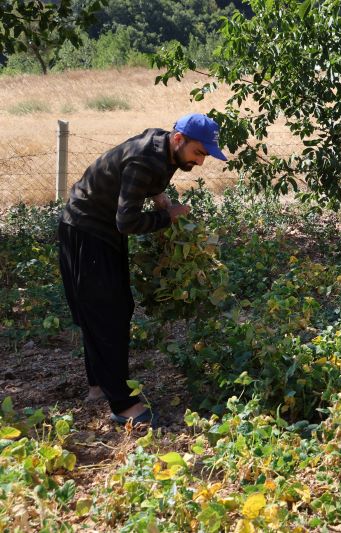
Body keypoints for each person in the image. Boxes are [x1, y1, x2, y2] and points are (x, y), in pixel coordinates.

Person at [58, 113, 227, 425]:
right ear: (179, 139)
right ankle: (123, 405)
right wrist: (168, 217)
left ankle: (98, 385)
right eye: (198, 152)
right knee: (107, 314)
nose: (201, 162)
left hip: (101, 231)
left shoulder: (163, 145)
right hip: (88, 231)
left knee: (114, 308)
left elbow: (133, 178)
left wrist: (157, 194)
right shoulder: (146, 161)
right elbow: (127, 221)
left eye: (205, 155)